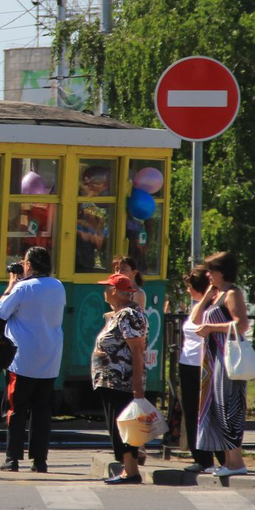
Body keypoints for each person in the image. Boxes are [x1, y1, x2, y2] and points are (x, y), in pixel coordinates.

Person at [0, 246, 66, 473]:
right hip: (50, 358)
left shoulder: (23, 288)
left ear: (30, 265)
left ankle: (12, 458)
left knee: (16, 411)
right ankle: (39, 460)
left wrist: (12, 284)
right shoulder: (58, 286)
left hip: (22, 359)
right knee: (42, 413)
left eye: (24, 262)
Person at [191, 251, 250, 478]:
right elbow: (196, 318)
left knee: (228, 408)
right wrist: (207, 296)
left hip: (227, 358)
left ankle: (236, 462)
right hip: (213, 360)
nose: (208, 274)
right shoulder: (216, 295)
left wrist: (212, 328)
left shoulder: (232, 294)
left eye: (211, 271)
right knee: (217, 408)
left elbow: (241, 324)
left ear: (221, 272)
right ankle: (228, 461)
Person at [92, 272, 148, 485]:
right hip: (112, 381)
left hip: (121, 381)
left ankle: (130, 471)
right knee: (121, 426)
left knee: (124, 427)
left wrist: (136, 384)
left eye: (107, 287)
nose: (104, 291)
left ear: (115, 291)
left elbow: (137, 348)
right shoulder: (121, 313)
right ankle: (128, 469)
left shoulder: (128, 315)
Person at [179, 266, 224, 473]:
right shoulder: (198, 305)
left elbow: (197, 322)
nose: (187, 290)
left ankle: (220, 456)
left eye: (189, 287)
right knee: (191, 412)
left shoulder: (212, 307)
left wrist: (206, 297)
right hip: (188, 364)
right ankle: (201, 458)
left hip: (204, 366)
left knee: (208, 411)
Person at [75, 166, 111, 271]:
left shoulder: (99, 209)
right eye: (86, 185)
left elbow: (99, 242)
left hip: (86, 260)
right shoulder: (85, 206)